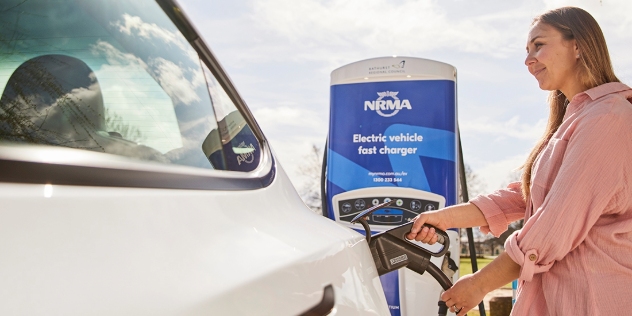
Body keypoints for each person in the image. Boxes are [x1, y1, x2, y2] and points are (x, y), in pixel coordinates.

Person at [406, 6, 632, 316]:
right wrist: (444, 219)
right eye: (527, 50)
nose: (528, 60)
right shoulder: (577, 119)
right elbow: (526, 194)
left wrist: (479, 284)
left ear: (577, 45)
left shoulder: (608, 118)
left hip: (594, 300)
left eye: (539, 45)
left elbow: (553, 224)